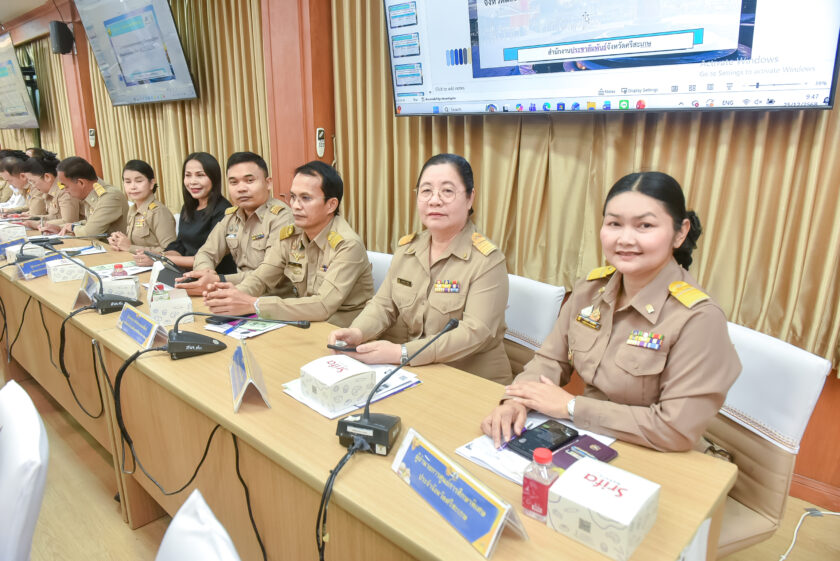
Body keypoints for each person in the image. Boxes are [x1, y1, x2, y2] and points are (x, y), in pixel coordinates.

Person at [481, 171, 742, 452]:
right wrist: (516, 401)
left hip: (658, 453)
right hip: (588, 437)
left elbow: (674, 429)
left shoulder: (698, 318)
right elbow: (551, 360)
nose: (625, 239)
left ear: (680, 233)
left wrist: (572, 406)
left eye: (644, 226)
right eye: (614, 223)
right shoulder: (590, 290)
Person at [328, 153, 513, 384]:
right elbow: (383, 305)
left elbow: (474, 333)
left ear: (469, 198)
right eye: (426, 191)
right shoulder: (407, 250)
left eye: (447, 191)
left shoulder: (487, 261)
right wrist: (357, 332)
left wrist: (402, 353)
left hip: (472, 381)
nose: (434, 200)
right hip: (419, 374)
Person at [202, 161, 374, 327]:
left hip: (341, 328)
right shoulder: (291, 235)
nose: (295, 206)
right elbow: (261, 278)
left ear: (331, 205)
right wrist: (233, 296)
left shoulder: (347, 245)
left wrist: (254, 304)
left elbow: (322, 306)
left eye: (305, 198)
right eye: (293, 197)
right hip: (305, 320)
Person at [177, 151, 293, 296]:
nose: (241, 188)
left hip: (272, 300)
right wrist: (205, 273)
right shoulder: (232, 217)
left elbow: (269, 272)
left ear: (268, 183)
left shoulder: (281, 218)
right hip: (234, 295)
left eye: (249, 181)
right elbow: (206, 252)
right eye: (234, 182)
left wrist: (219, 280)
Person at [132, 152, 236, 274]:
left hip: (215, 276)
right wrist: (156, 255)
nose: (192, 182)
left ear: (214, 177)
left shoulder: (224, 211)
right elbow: (180, 245)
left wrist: (162, 258)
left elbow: (207, 259)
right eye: (188, 175)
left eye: (200, 175)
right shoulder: (189, 207)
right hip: (187, 273)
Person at [39, 156, 128, 237]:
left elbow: (90, 233)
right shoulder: (90, 195)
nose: (64, 190)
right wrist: (60, 228)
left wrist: (72, 228)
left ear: (81, 183)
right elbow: (90, 222)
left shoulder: (109, 197)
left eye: (66, 186)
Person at [107, 160, 176, 254]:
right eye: (128, 182)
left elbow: (171, 252)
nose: (133, 187)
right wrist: (119, 242)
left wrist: (130, 247)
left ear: (152, 183)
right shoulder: (132, 209)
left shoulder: (158, 212)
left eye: (139, 181)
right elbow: (133, 244)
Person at [20, 154, 81, 228]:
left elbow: (68, 221)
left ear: (47, 177)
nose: (33, 186)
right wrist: (32, 218)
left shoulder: (64, 190)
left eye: (33, 181)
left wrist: (37, 224)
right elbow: (54, 217)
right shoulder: (51, 191)